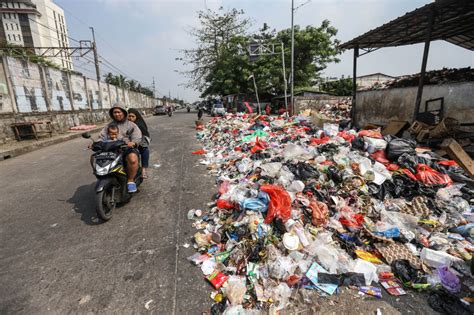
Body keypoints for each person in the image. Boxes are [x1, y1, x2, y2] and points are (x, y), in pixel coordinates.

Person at [98, 103, 142, 193]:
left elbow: (137, 137)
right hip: (111, 150)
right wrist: (96, 143)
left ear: (124, 113)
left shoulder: (131, 125)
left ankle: (130, 180)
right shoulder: (108, 126)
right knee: (95, 158)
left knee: (133, 159)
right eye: (114, 112)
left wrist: (133, 142)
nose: (117, 114)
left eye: (119, 112)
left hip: (127, 149)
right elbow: (101, 137)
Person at [127, 108, 151, 179]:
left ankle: (144, 170)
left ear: (136, 117)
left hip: (139, 142)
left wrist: (135, 142)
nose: (130, 118)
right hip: (125, 143)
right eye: (129, 116)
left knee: (145, 150)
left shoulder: (139, 124)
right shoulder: (124, 124)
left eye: (132, 116)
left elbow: (142, 136)